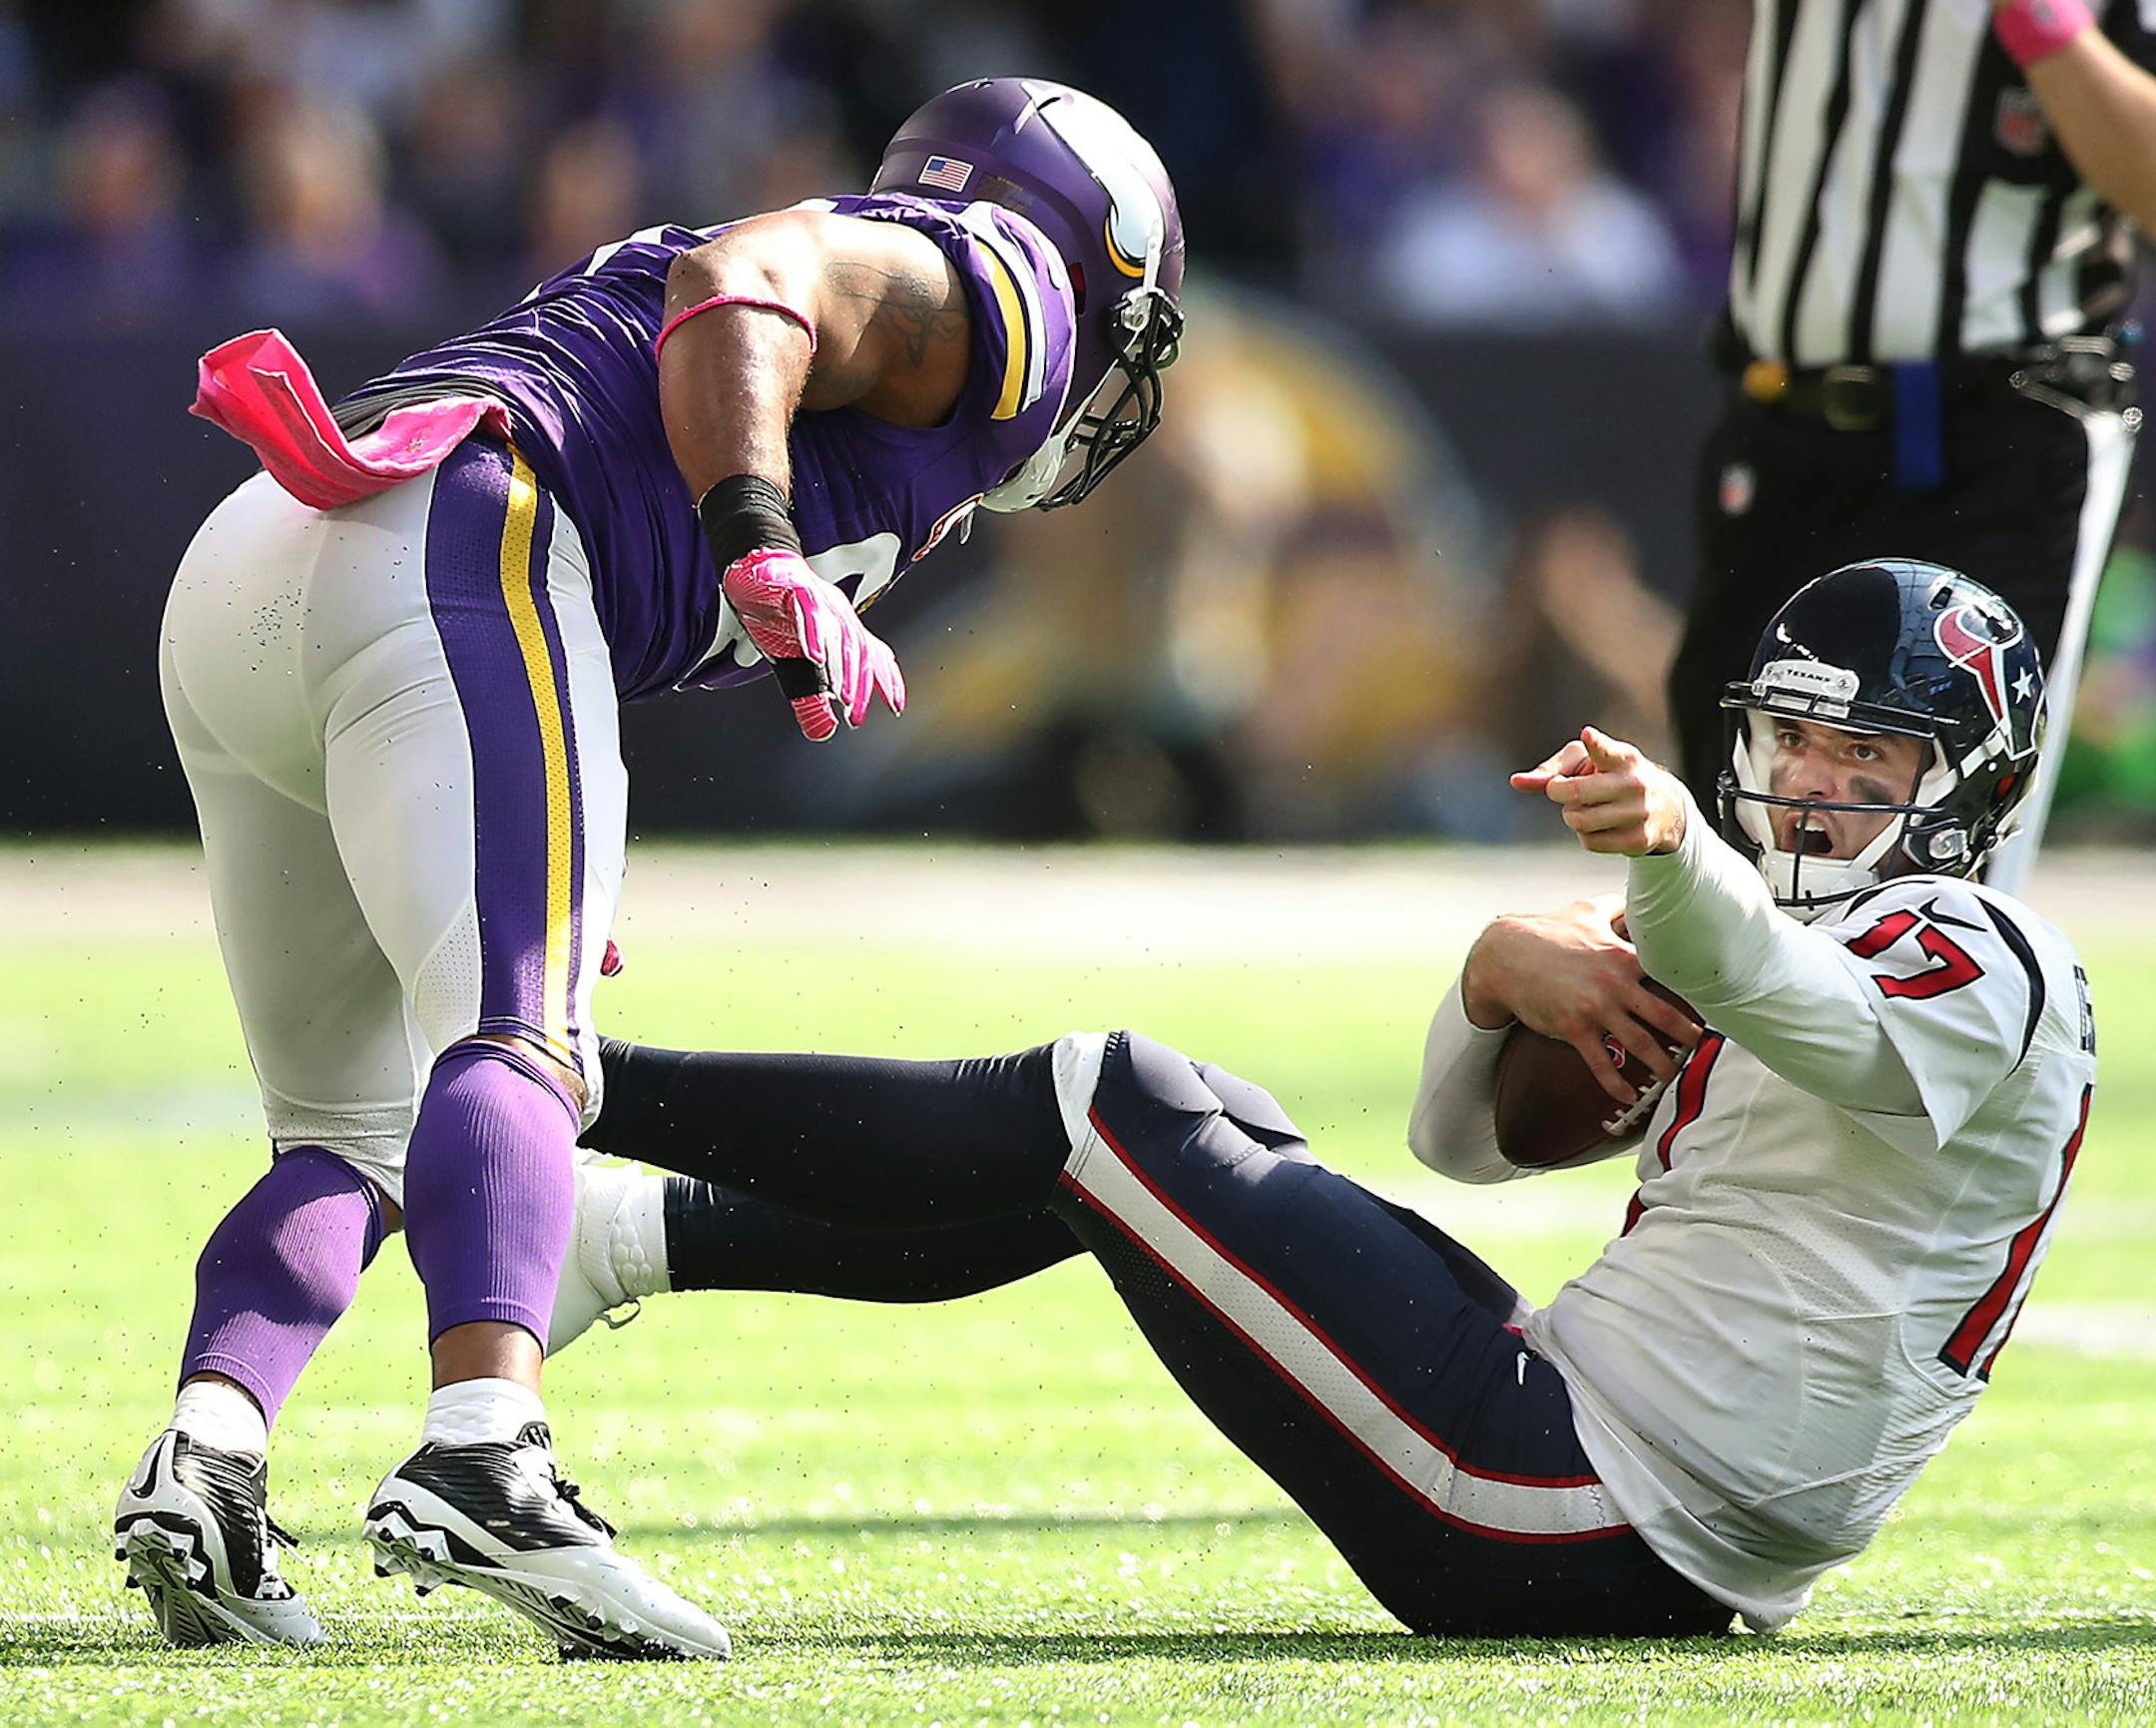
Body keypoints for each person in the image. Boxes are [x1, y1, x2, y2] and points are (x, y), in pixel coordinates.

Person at [115, 78, 1185, 1658]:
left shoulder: (917, 316)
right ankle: (488, 1448)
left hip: (274, 554)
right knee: (517, 1040)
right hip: (459, 531)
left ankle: (206, 1454)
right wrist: (758, 537)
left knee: (356, 1128)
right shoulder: (995, 285)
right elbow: (737, 283)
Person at [555, 560, 2094, 1635]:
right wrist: (1496, 978)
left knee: (1110, 1099)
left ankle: (557, 1073)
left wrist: (1677, 864)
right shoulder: (1775, 931)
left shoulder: (1980, 950)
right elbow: (1462, 1144)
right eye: (1799, 738)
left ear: (1969, 780)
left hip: (1571, 1495)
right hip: (1586, 1462)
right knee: (1150, 1139)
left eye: (1870, 755)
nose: (1815, 784)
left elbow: (1824, 1022)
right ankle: (614, 1235)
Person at [1668, 0, 2156, 891]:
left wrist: (2042, 23)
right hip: (1779, 421)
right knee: (1721, 855)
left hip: (1999, 431)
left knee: (1936, 866)